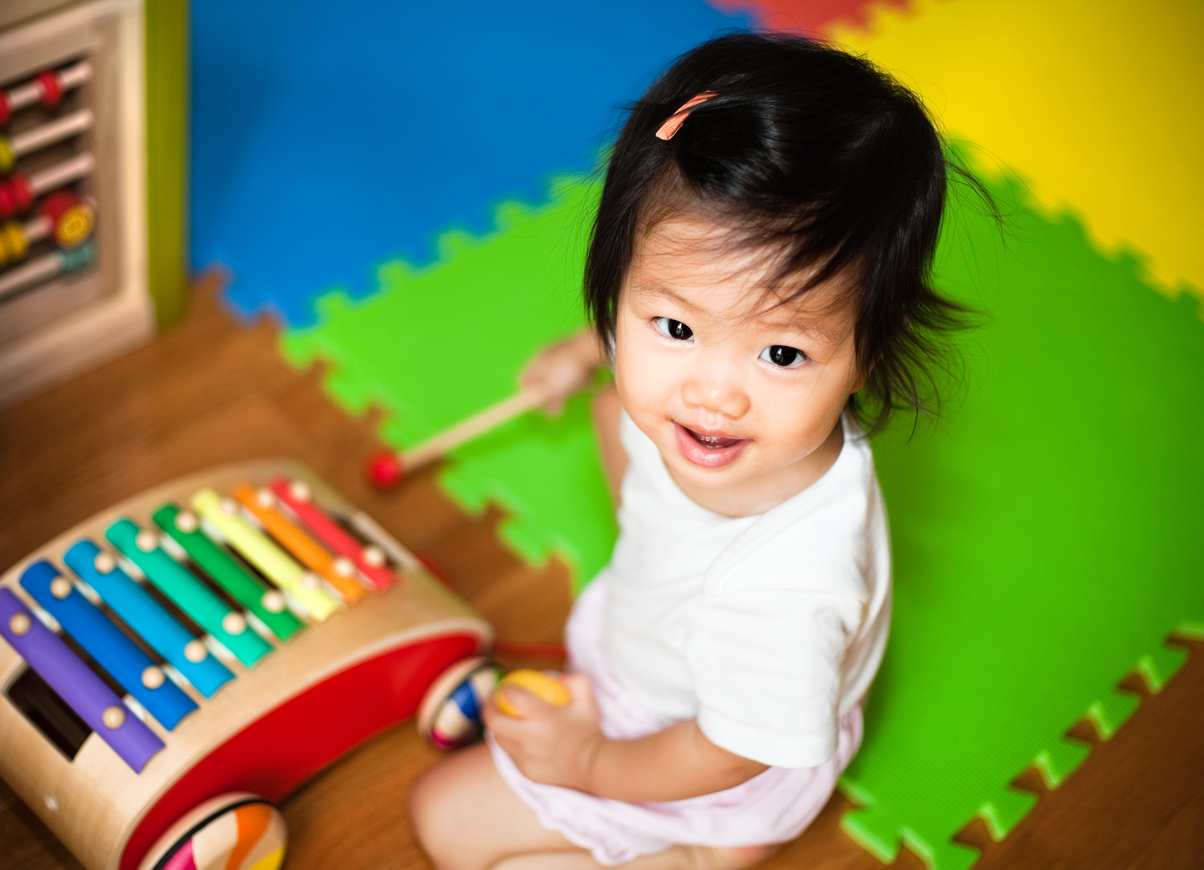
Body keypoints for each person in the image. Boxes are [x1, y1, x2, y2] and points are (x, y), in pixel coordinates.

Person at [411, 31, 977, 870]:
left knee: (443, 818)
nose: (714, 392)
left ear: (870, 345)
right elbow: (688, 318)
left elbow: (736, 747)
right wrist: (584, 351)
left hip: (711, 758)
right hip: (666, 656)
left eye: (782, 353)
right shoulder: (709, 402)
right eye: (673, 325)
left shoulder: (790, 588)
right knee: (620, 409)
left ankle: (702, 856)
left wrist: (592, 765)